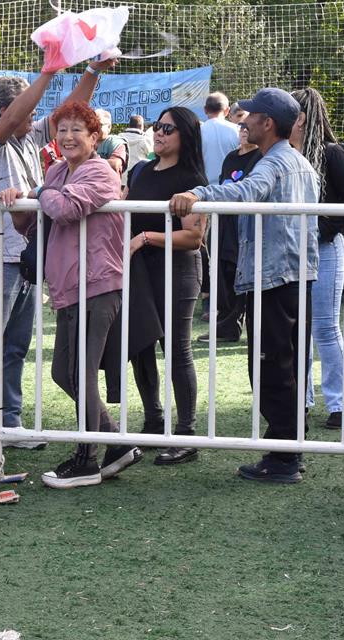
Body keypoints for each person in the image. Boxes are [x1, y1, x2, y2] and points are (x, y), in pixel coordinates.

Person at [0, 57, 116, 458]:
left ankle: (9, 421)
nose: (38, 115)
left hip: (27, 257)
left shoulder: (28, 138)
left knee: (16, 345)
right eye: (28, 108)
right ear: (8, 111)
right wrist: (48, 72)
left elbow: (68, 114)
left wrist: (93, 71)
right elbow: (24, 115)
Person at [169, 87, 319, 484]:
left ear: (267, 123)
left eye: (250, 115)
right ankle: (288, 449)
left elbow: (246, 192)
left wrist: (198, 194)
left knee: (271, 367)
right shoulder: (299, 162)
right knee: (287, 366)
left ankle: (284, 457)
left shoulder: (275, 162)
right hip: (295, 276)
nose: (244, 120)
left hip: (275, 278)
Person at [2, 101, 136, 488]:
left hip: (97, 283)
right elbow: (40, 219)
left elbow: (63, 208)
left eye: (77, 130)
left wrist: (40, 191)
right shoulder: (58, 170)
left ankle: (86, 459)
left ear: (95, 137)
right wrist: (19, 202)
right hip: (68, 285)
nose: (67, 136)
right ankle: (116, 445)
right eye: (62, 129)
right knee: (64, 372)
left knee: (81, 372)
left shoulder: (101, 171)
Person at [125, 107, 208, 464]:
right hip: (139, 270)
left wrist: (145, 237)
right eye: (157, 126)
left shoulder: (193, 179)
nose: (159, 133)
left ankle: (186, 434)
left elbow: (193, 238)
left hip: (177, 270)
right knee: (141, 345)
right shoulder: (142, 170)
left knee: (176, 349)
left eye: (168, 129)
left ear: (185, 136)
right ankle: (153, 422)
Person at [290, 88, 344, 430]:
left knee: (324, 326)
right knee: (298, 327)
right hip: (292, 250)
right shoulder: (284, 153)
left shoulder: (331, 153)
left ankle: (340, 402)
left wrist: (321, 227)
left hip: (325, 248)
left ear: (301, 117)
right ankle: (301, 400)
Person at [197, 125, 262, 344]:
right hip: (223, 221)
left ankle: (245, 326)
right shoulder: (231, 157)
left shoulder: (261, 157)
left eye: (248, 127)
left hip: (245, 225)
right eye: (242, 127)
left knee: (240, 272)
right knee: (222, 272)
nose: (245, 131)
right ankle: (226, 326)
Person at [201, 92, 241, 185]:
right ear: (227, 110)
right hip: (231, 186)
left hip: (204, 188)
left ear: (205, 110)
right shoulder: (238, 130)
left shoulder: (197, 132)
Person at [120, 114, 153, 187]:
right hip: (137, 178)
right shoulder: (145, 140)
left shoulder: (119, 138)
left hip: (121, 178)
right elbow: (151, 156)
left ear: (130, 125)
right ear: (141, 126)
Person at [94, 108, 128, 177]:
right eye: (93, 125)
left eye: (100, 125)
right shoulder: (87, 142)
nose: (95, 128)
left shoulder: (116, 142)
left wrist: (89, 163)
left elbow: (115, 164)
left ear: (109, 127)